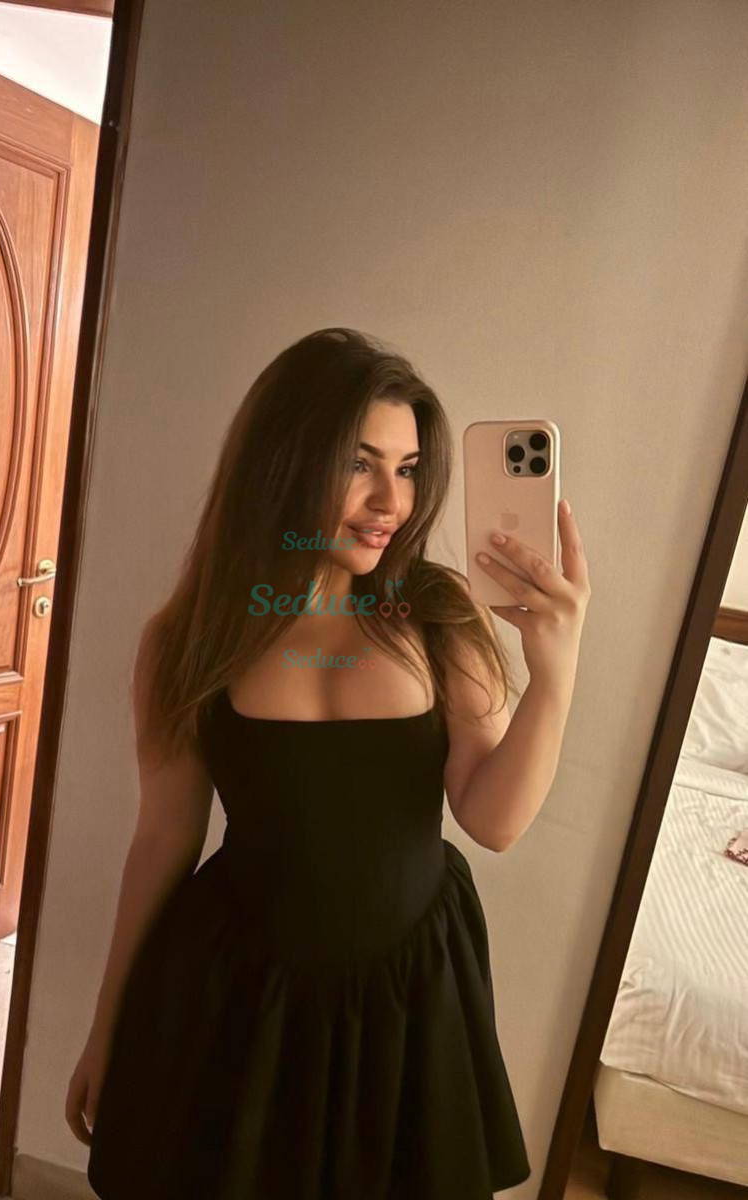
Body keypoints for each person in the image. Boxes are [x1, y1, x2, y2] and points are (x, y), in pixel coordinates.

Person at [67, 327, 590, 1200]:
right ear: (283, 461)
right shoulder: (189, 638)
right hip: (240, 996)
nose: (392, 500)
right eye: (358, 463)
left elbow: (494, 821)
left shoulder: (435, 612)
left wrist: (555, 675)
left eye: (409, 468)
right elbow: (162, 839)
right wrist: (106, 1027)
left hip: (408, 995)